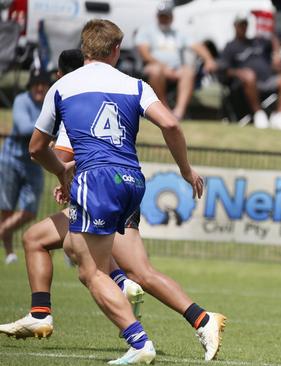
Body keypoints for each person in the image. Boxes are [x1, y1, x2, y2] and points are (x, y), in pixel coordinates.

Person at [28, 19, 204, 364]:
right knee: (72, 245)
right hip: (133, 182)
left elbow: (37, 148)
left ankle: (139, 341)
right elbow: (170, 123)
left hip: (96, 179)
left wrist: (61, 172)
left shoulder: (63, 86)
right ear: (116, 51)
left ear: (84, 48)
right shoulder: (135, 84)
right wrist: (185, 170)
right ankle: (121, 284)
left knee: (89, 270)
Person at [134, 0, 218, 120]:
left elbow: (196, 45)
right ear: (157, 16)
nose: (164, 18)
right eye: (161, 15)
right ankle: (164, 110)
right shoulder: (146, 30)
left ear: (171, 17)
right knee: (156, 70)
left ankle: (178, 113)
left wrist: (209, 59)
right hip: (153, 67)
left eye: (166, 16)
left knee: (188, 71)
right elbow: (145, 53)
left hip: (175, 70)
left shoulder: (177, 34)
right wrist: (164, 68)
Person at [0, 68, 51, 264]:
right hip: (10, 160)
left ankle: (2, 231)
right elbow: (23, 127)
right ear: (30, 86)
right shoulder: (21, 100)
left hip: (34, 163)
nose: (40, 88)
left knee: (29, 211)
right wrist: (50, 129)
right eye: (36, 84)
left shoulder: (49, 103)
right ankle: (9, 253)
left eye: (44, 84)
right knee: (6, 209)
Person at [221, 13, 281, 130]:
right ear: (235, 26)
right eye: (240, 25)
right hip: (244, 84)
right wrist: (240, 73)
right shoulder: (230, 47)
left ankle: (280, 115)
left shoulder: (257, 41)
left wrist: (276, 54)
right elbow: (224, 70)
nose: (243, 27)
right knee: (250, 75)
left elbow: (274, 41)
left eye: (245, 24)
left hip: (267, 79)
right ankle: (258, 113)